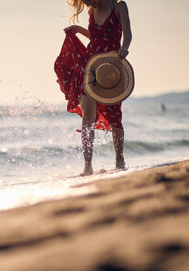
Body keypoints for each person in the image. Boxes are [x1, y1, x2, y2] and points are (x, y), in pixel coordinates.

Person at [56, 0, 132, 176]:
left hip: (111, 68)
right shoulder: (91, 11)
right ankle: (87, 165)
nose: (87, 2)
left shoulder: (119, 6)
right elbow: (95, 37)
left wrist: (125, 48)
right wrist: (78, 30)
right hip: (90, 66)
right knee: (87, 117)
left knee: (114, 117)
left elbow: (127, 34)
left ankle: (119, 160)